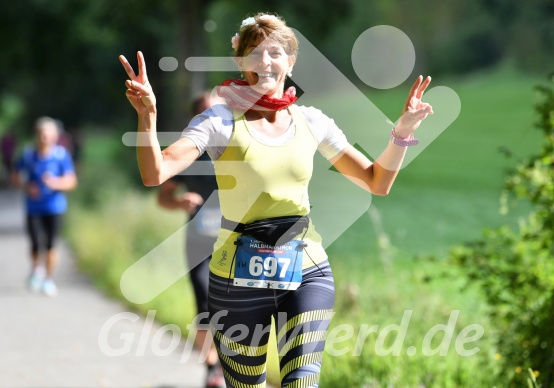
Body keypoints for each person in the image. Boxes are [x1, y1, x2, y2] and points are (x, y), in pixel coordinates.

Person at [119, 12, 432, 388]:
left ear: (291, 61)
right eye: (254, 52)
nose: (264, 62)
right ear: (240, 62)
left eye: (274, 53)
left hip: (306, 266)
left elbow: (376, 181)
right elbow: (157, 173)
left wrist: (401, 134)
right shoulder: (218, 121)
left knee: (302, 382)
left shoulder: (313, 121)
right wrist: (148, 117)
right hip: (236, 274)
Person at [157, 93, 226, 388]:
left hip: (233, 242)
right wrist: (179, 201)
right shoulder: (190, 153)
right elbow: (163, 197)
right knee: (204, 304)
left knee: (232, 307)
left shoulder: (238, 148)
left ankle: (227, 366)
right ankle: (212, 367)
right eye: (205, 114)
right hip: (198, 241)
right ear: (196, 119)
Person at [11, 116, 77, 297]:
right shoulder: (28, 155)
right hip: (33, 207)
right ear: (36, 135)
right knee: (34, 243)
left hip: (55, 207)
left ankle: (48, 278)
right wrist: (26, 187)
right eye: (41, 134)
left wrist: (56, 183)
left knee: (50, 245)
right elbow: (15, 177)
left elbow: (71, 181)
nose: (44, 138)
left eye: (48, 134)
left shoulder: (61, 156)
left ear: (55, 136)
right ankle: (36, 270)